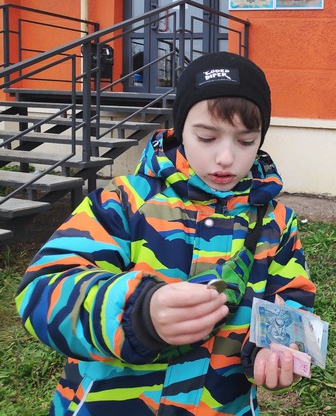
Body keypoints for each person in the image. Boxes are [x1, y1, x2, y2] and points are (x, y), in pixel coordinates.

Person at [16, 52, 316, 415]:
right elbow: (41, 291)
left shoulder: (277, 223)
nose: (225, 157)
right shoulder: (125, 201)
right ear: (180, 129)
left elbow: (293, 301)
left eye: (245, 141)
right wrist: (137, 315)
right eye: (206, 137)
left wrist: (276, 349)